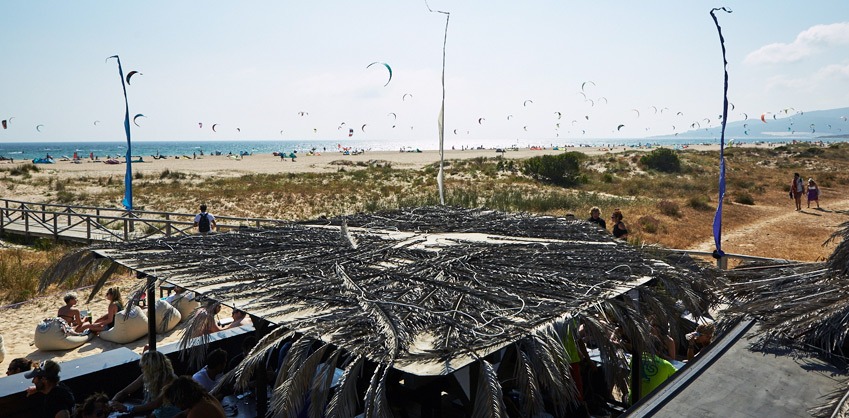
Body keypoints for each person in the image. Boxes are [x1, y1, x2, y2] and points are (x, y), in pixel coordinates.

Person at [109, 350, 181, 418]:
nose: (142, 369)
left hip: (172, 413)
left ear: (151, 368)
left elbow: (155, 404)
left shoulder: (171, 380)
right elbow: (125, 391)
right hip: (158, 411)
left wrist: (127, 408)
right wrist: (112, 402)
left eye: (144, 367)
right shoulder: (147, 375)